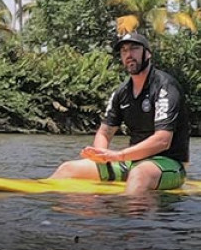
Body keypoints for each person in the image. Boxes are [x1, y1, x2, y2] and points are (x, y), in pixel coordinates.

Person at [47, 31, 190, 193]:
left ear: (148, 53)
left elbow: (162, 140)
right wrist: (101, 155)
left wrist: (119, 155)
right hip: (132, 162)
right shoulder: (121, 92)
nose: (129, 54)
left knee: (139, 174)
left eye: (134, 49)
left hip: (168, 163)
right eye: (124, 51)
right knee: (68, 169)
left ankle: (129, 216)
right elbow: (105, 132)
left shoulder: (165, 86)